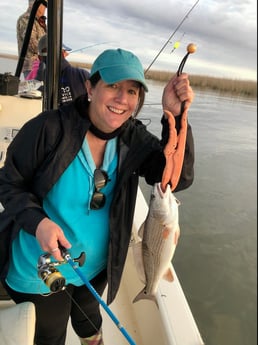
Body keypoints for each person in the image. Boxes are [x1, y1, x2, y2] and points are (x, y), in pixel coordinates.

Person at [0, 48, 195, 345]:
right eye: (113, 86)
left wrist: (176, 117)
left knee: (89, 314)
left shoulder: (133, 138)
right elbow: (8, 183)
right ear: (91, 87)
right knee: (50, 333)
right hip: (41, 267)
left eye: (131, 91)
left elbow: (177, 178)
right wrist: (39, 223)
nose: (122, 99)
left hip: (96, 266)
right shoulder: (50, 128)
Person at [28, 34, 90, 105]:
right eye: (64, 52)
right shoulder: (83, 75)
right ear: (63, 54)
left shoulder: (36, 83)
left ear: (40, 58)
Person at [16, 0, 47, 78]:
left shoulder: (41, 22)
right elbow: (32, 44)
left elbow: (46, 41)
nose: (45, 8)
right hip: (31, 66)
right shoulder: (26, 19)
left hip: (42, 64)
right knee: (35, 90)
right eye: (44, 5)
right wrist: (51, 52)